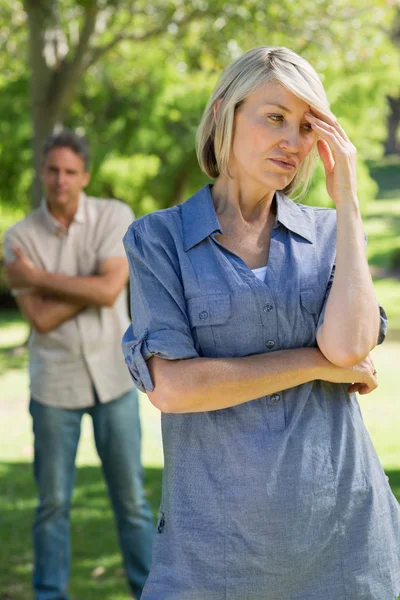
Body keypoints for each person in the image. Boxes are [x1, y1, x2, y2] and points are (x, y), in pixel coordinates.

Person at [121, 47, 400, 599]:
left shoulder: (329, 235)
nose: (292, 142)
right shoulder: (159, 240)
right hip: (211, 560)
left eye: (305, 126)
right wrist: (314, 365)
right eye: (274, 118)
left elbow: (348, 347)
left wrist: (347, 202)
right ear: (225, 113)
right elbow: (174, 389)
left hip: (347, 547)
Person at [3, 130, 153, 600]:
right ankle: (50, 595)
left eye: (70, 171)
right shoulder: (19, 237)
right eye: (52, 170)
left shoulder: (115, 216)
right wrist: (90, 283)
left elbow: (110, 293)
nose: (60, 180)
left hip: (114, 379)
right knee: (52, 505)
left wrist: (39, 278)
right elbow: (42, 319)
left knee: (131, 502)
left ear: (84, 175)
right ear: (41, 173)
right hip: (54, 387)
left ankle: (150, 591)